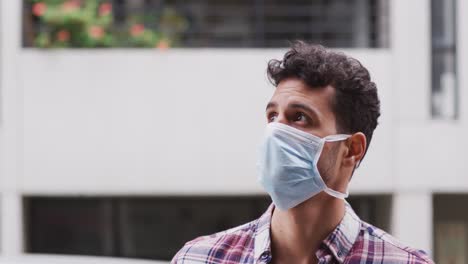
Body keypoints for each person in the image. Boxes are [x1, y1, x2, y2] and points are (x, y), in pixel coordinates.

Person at [171, 41, 434, 264]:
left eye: (299, 117)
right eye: (272, 116)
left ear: (351, 149)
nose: (276, 131)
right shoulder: (200, 258)